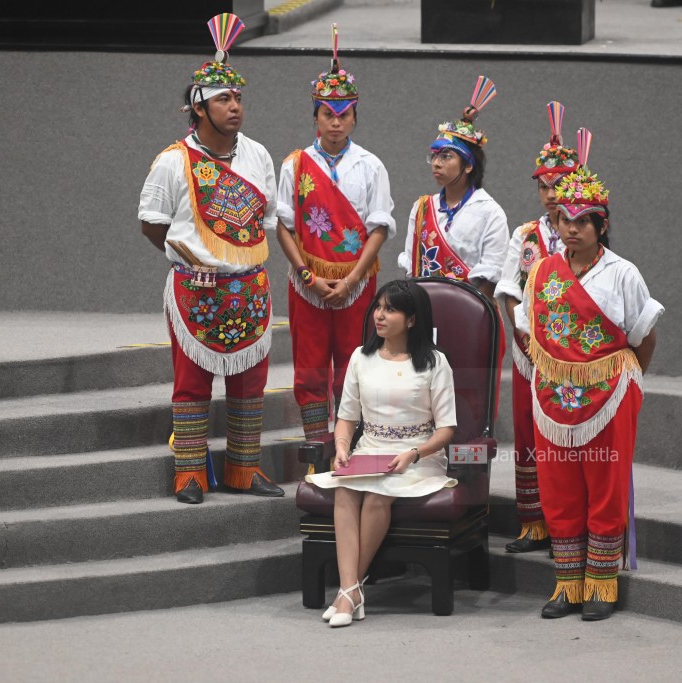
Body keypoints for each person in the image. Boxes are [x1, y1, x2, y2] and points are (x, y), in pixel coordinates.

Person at [515, 135, 664, 620]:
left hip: (609, 394)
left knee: (605, 484)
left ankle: (601, 583)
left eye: (583, 220)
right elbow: (528, 331)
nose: (572, 228)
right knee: (559, 486)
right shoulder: (541, 273)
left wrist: (623, 383)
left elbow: (644, 337)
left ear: (602, 225)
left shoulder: (623, 273)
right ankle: (567, 583)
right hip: (552, 396)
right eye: (565, 219)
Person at [138, 13, 284, 502]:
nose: (235, 106)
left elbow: (264, 221)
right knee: (192, 384)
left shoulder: (258, 156)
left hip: (250, 286)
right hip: (197, 290)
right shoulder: (172, 161)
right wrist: (191, 257)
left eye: (238, 97)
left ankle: (244, 470)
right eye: (224, 99)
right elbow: (151, 223)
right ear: (198, 107)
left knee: (249, 385)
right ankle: (190, 475)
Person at [305, 280, 457, 628]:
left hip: (417, 455)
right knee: (345, 490)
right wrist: (342, 446)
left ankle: (348, 593)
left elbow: (447, 429)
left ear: (412, 319)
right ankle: (351, 590)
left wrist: (414, 454)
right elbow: (346, 418)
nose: (379, 315)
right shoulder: (361, 357)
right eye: (378, 307)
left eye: (390, 309)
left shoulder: (435, 363)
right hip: (370, 449)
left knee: (377, 495)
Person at [275, 25, 395, 441]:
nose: (336, 122)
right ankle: (316, 446)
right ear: (315, 117)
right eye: (328, 114)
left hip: (356, 282)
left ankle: (352, 446)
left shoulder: (371, 166)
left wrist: (352, 279)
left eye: (344, 114)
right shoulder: (294, 165)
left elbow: (379, 228)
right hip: (307, 282)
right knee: (309, 365)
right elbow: (283, 226)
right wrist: (307, 275)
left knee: (355, 363)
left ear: (355, 117)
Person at [494, 101, 577, 554]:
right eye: (543, 186)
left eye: (558, 184)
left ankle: (571, 523)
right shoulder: (526, 234)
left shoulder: (584, 234)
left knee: (566, 436)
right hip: (529, 351)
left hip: (571, 355)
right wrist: (521, 331)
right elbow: (508, 288)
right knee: (528, 434)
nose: (549, 194)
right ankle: (534, 522)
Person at [397, 77, 509, 304]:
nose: (437, 163)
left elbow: (491, 278)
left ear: (468, 165)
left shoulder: (490, 212)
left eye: (446, 156)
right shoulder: (422, 208)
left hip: (472, 312)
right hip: (425, 311)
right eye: (434, 156)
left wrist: (465, 313)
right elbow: (412, 267)